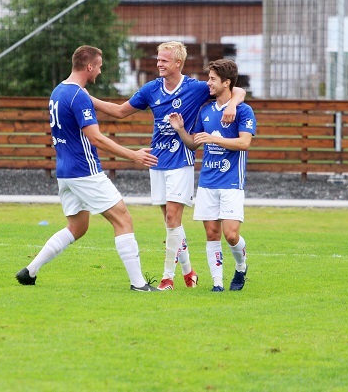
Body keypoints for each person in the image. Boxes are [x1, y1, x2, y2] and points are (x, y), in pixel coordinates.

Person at [90, 41, 246, 290]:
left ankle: (167, 278)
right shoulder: (152, 89)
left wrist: (232, 104)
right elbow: (120, 111)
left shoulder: (196, 88)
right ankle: (189, 272)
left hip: (181, 160)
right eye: (158, 59)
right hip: (157, 160)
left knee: (173, 218)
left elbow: (235, 90)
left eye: (164, 60)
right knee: (170, 222)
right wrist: (88, 98)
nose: (158, 64)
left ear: (177, 63)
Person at [15, 45, 159, 292]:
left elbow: (110, 112)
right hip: (85, 170)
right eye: (99, 66)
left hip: (65, 172)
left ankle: (30, 271)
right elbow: (97, 138)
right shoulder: (78, 96)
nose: (100, 72)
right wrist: (133, 155)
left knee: (78, 227)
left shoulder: (60, 91)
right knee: (123, 219)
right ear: (89, 66)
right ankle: (139, 284)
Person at [169, 59, 256, 291]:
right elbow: (193, 144)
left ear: (226, 83)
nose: (208, 83)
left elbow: (244, 143)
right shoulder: (205, 109)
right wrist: (180, 130)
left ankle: (241, 267)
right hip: (207, 181)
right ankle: (217, 283)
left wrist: (214, 138)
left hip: (231, 181)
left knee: (230, 235)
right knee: (211, 233)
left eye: (212, 79)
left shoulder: (243, 110)